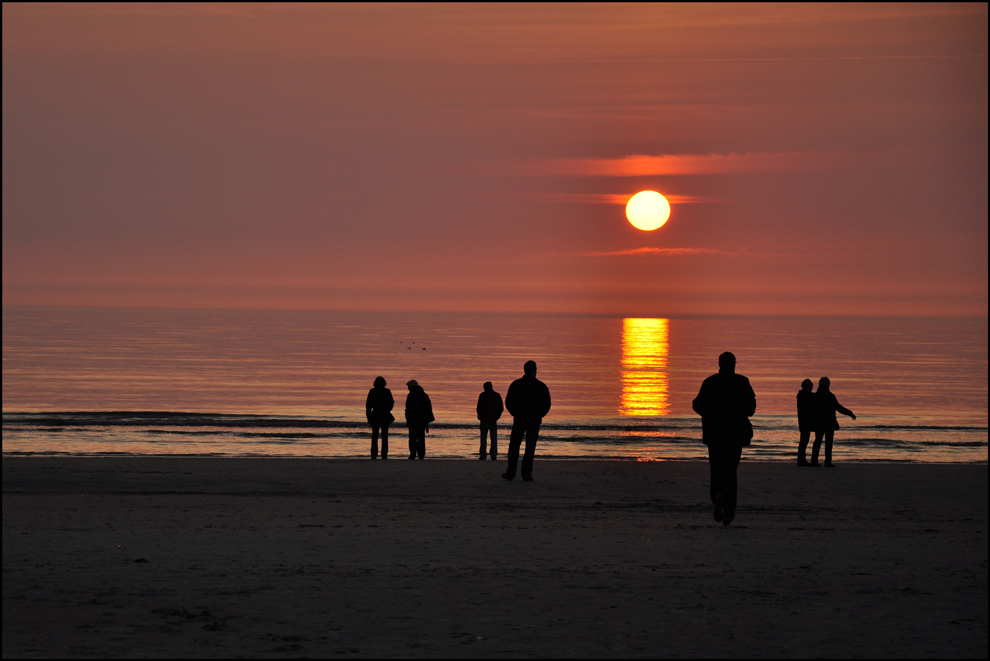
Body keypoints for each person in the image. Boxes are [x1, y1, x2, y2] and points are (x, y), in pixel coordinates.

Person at [691, 352, 756, 526]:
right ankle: (729, 512)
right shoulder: (742, 382)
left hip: (715, 434)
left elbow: (696, 404)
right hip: (735, 434)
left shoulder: (710, 382)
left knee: (716, 469)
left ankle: (717, 497)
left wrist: (710, 416)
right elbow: (751, 409)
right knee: (731, 472)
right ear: (734, 364)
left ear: (719, 363)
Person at [502, 361, 551, 482]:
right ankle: (526, 474)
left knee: (514, 446)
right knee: (530, 448)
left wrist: (515, 413)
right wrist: (539, 415)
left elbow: (508, 402)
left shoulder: (516, 384)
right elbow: (547, 404)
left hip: (520, 419)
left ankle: (511, 473)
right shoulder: (541, 386)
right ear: (534, 370)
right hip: (533, 420)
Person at [811, 377, 856, 467]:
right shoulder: (830, 396)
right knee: (828, 442)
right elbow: (838, 407)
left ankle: (814, 461)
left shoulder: (815, 396)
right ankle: (827, 462)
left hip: (819, 422)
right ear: (828, 385)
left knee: (818, 441)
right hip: (829, 422)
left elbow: (811, 410)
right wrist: (849, 413)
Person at [365, 376, 395, 459]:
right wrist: (387, 409)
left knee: (374, 435)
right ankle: (384, 454)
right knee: (384, 436)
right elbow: (391, 403)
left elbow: (368, 405)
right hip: (384, 415)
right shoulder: (387, 391)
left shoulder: (372, 391)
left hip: (375, 414)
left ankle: (374, 454)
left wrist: (368, 415)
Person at [404, 380, 434, 460]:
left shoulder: (411, 395)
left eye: (409, 386)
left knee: (412, 438)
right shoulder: (424, 395)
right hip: (422, 420)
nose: (408, 388)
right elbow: (428, 408)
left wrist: (407, 417)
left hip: (413, 420)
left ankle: (413, 454)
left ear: (412, 387)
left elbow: (408, 408)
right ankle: (421, 455)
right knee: (421, 438)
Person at [476, 381, 504, 460]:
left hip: (485, 419)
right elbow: (501, 408)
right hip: (492, 419)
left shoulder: (483, 395)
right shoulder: (496, 395)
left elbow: (479, 407)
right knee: (493, 438)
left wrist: (480, 416)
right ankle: (493, 455)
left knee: (483, 438)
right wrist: (497, 416)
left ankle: (483, 455)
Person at [796, 379, 815, 466]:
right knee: (804, 441)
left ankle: (801, 459)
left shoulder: (803, 395)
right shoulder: (804, 396)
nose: (811, 388)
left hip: (804, 421)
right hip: (805, 421)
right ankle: (801, 460)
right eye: (811, 386)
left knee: (804, 441)